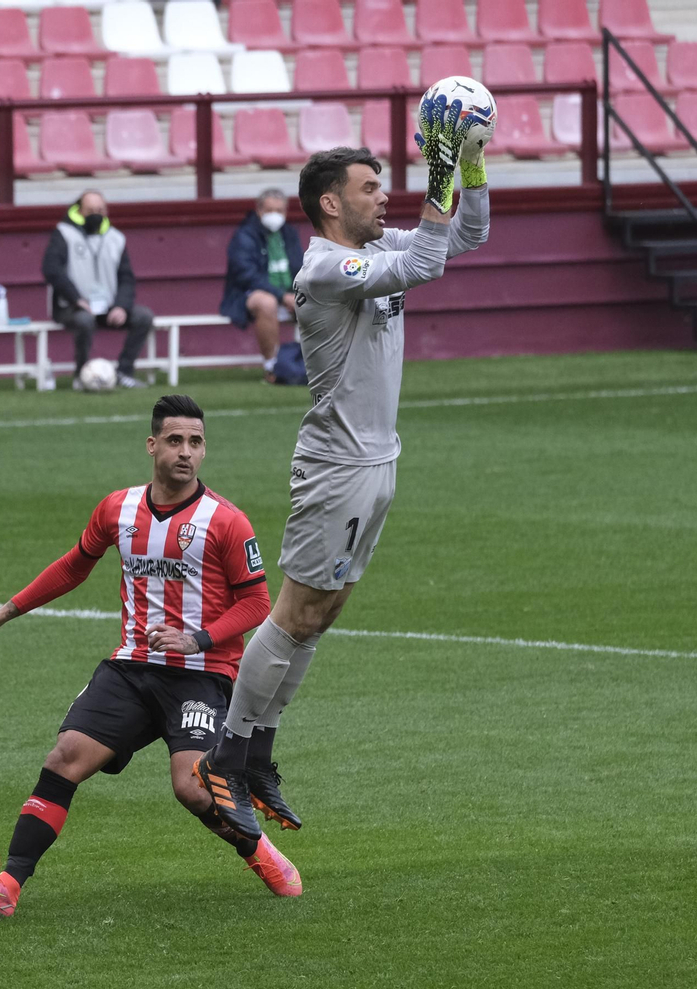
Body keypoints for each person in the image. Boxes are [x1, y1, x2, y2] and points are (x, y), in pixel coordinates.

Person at [194, 95, 493, 840]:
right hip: (337, 463)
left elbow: (470, 237)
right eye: (368, 186)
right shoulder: (327, 265)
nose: (381, 193)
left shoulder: (374, 245)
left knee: (322, 615)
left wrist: (473, 165)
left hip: (377, 458)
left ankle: (259, 752)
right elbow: (427, 260)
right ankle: (225, 756)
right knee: (294, 611)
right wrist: (441, 167)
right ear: (331, 203)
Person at [0, 394, 299, 920]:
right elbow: (73, 566)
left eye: (196, 443)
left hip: (202, 676)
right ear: (152, 444)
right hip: (130, 668)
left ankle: (263, 855)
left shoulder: (227, 522)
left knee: (192, 787)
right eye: (175, 440)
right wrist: (3, 614)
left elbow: (258, 603)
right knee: (64, 758)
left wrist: (196, 639)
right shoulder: (118, 508)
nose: (186, 452)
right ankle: (7, 885)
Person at [42, 190, 154, 390]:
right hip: (72, 307)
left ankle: (124, 372)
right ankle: (82, 375)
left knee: (143, 316)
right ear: (79, 210)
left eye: (100, 209)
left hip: (108, 306)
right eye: (91, 210)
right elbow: (51, 270)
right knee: (84, 321)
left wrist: (121, 306)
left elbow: (126, 277)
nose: (96, 213)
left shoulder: (116, 238)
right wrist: (76, 299)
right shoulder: (63, 234)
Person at [219, 189, 304, 382]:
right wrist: (282, 296)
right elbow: (246, 275)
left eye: (279, 210)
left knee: (318, 301)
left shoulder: (289, 233)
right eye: (270, 210)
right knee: (267, 303)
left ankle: (316, 365)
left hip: (288, 293)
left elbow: (301, 267)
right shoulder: (244, 236)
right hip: (246, 296)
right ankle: (272, 367)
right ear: (259, 210)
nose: (275, 215)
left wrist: (298, 293)